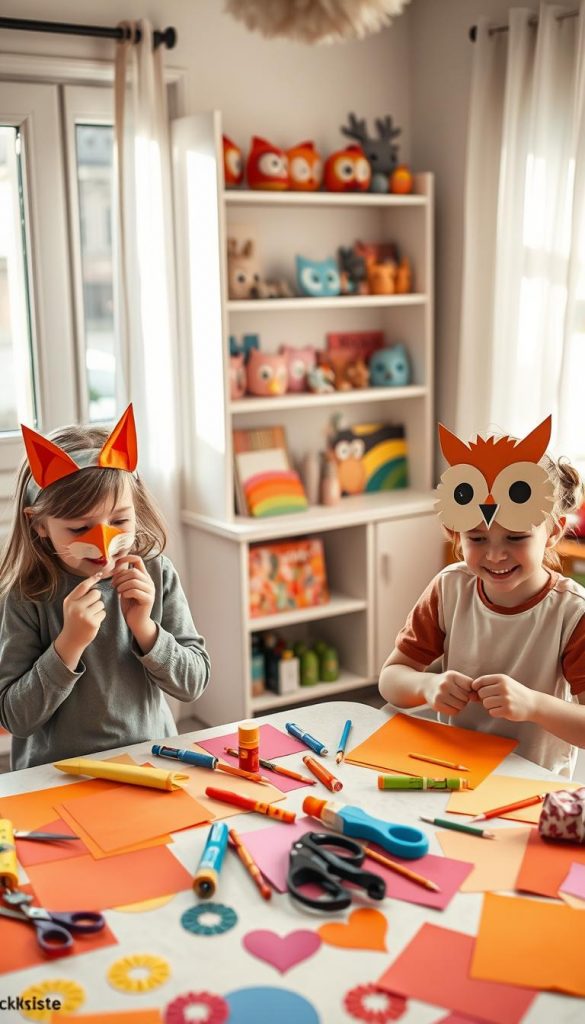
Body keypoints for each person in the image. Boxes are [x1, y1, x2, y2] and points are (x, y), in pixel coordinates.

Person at [0, 405, 211, 770]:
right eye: (80, 528)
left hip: (150, 763)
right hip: (57, 775)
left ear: (136, 509)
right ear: (40, 526)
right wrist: (68, 645)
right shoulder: (27, 594)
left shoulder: (156, 573)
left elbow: (193, 684)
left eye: (119, 520)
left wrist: (146, 630)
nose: (103, 545)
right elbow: (14, 718)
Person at [379, 415, 585, 778]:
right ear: (455, 533)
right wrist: (427, 686)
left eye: (516, 538)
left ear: (552, 532)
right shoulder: (449, 588)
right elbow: (391, 677)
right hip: (453, 772)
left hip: (530, 786)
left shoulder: (572, 613)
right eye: (476, 539)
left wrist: (534, 705)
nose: (494, 555)